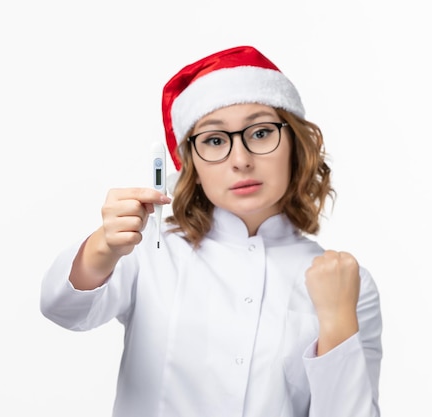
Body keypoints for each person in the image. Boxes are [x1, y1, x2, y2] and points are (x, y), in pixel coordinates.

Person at [40, 45, 382, 417]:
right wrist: (101, 248)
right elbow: (64, 309)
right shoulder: (151, 248)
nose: (241, 160)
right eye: (214, 140)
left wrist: (336, 323)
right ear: (190, 163)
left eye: (262, 132)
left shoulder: (347, 282)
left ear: (295, 145)